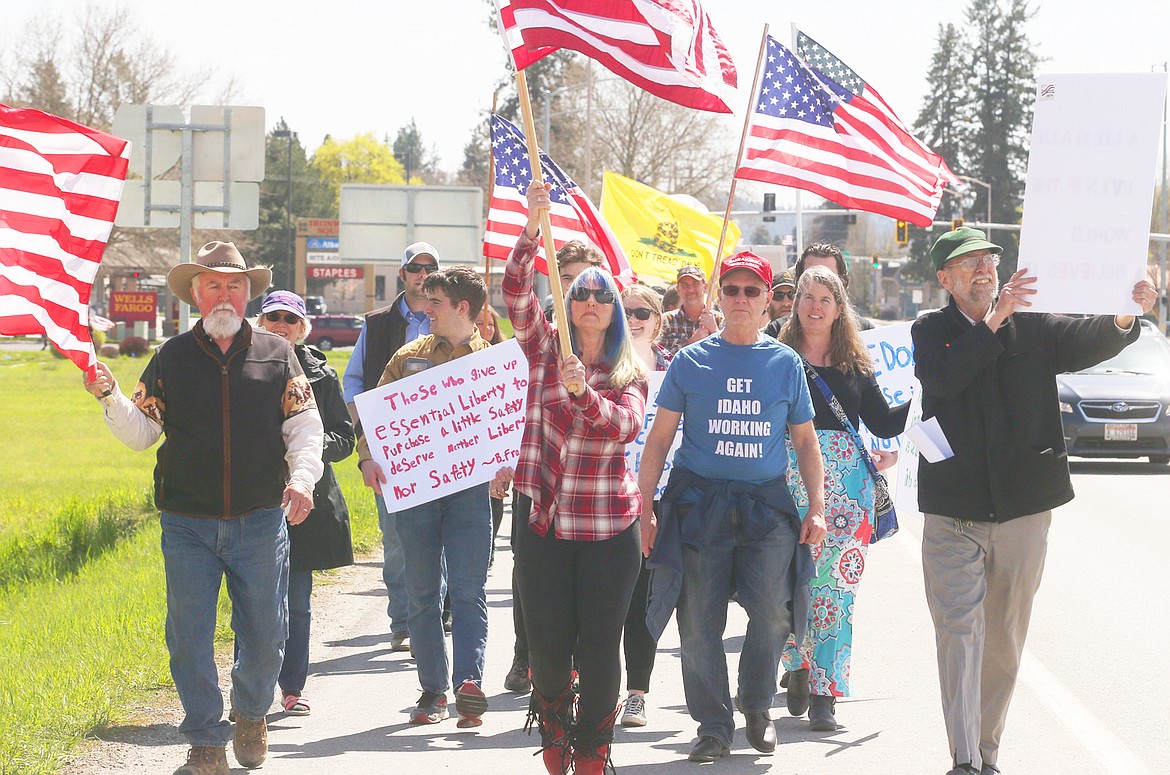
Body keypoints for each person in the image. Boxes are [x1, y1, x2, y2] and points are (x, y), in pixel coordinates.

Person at [912, 227, 1156, 775]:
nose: (984, 269)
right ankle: (964, 759)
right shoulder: (931, 330)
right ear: (944, 278)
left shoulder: (1036, 325)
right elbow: (944, 380)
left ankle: (987, 750)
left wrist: (1124, 316)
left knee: (1002, 638)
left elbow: (1085, 338)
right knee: (958, 631)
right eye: (969, 262)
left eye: (989, 259)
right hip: (953, 513)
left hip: (1023, 510)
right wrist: (995, 319)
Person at [83, 242, 324, 775]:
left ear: (247, 294)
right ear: (195, 293)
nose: (223, 294)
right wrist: (109, 396)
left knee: (265, 633)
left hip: (261, 517)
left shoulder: (277, 354)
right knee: (189, 633)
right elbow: (142, 432)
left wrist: (303, 480)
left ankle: (252, 711)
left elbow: (305, 428)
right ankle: (205, 739)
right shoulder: (171, 355)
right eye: (212, 284)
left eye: (233, 285)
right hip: (186, 522)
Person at [638, 250, 828, 763]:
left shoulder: (785, 364)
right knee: (699, 621)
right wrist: (646, 508)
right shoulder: (689, 361)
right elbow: (658, 441)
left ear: (769, 300)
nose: (740, 298)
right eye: (731, 289)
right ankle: (714, 725)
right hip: (701, 505)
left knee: (773, 612)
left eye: (751, 290)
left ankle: (757, 706)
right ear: (719, 298)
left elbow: (806, 443)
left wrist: (817, 505)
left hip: (767, 507)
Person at [506, 180, 648, 775]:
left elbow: (623, 426)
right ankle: (557, 742)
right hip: (544, 526)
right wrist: (534, 228)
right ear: (567, 305)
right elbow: (515, 290)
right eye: (580, 292)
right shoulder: (543, 347)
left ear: (614, 311)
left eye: (601, 294)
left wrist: (582, 391)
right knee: (545, 647)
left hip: (608, 535)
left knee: (597, 652)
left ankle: (592, 751)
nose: (589, 300)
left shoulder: (631, 370)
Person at [356, 265, 494, 728]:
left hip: (470, 494)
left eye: (434, 302)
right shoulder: (408, 355)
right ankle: (433, 691)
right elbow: (376, 414)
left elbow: (512, 426)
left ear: (463, 308)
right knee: (421, 592)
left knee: (468, 588)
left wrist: (508, 464)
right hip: (413, 491)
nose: (425, 308)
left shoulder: (495, 362)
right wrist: (366, 458)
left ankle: (469, 683)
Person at [776, 266, 909, 731]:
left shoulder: (855, 364)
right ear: (796, 306)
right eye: (806, 297)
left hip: (851, 493)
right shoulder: (778, 357)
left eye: (824, 300)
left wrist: (927, 389)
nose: (814, 306)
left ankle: (825, 694)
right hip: (788, 484)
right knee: (790, 583)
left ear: (838, 311)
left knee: (838, 591)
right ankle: (796, 661)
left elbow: (885, 422)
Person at [255, 291, 355, 718]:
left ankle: (293, 686)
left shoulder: (322, 374)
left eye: (290, 320)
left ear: (302, 330)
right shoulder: (244, 367)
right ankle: (252, 692)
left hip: (303, 500)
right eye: (273, 317)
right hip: (253, 498)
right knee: (254, 601)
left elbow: (344, 437)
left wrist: (306, 450)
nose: (281, 325)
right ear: (260, 323)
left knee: (296, 601)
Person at [343, 241, 439, 654]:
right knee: (397, 538)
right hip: (390, 451)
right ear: (402, 275)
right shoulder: (377, 323)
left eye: (429, 268)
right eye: (414, 268)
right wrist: (367, 432)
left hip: (442, 444)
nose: (421, 274)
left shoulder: (448, 318)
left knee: (439, 537)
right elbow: (352, 382)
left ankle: (433, 617)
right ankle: (402, 621)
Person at [616, 283, 671, 729]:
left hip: (662, 502)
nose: (632, 318)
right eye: (626, 310)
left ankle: (637, 692)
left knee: (643, 600)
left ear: (658, 321)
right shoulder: (604, 363)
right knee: (602, 599)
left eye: (642, 312)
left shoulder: (678, 369)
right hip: (607, 497)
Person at [765, 243, 873, 340]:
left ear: (843, 283)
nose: (819, 284)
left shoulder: (866, 332)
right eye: (810, 276)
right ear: (798, 283)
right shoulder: (777, 332)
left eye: (829, 277)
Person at [659, 265, 724, 355]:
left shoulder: (720, 320)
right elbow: (660, 358)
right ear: (678, 289)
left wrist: (715, 332)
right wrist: (690, 343)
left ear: (705, 287)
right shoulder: (666, 321)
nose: (690, 289)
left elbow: (730, 355)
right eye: (685, 285)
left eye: (695, 284)